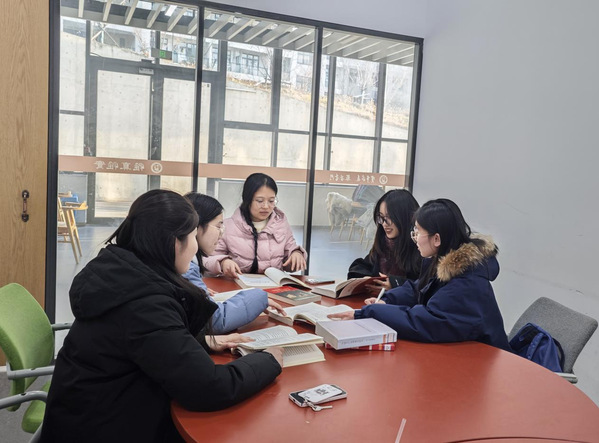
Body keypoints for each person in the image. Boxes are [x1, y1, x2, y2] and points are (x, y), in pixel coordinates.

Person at [41, 190, 283, 442]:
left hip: (92, 409)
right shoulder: (145, 302)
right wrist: (268, 361)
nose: (194, 249)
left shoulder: (124, 274)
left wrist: (201, 342)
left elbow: (144, 345)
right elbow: (208, 388)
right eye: (192, 237)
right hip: (104, 425)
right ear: (174, 242)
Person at [329, 198, 511, 351]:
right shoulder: (443, 261)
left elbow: (425, 322)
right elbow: (418, 289)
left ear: (436, 239)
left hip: (484, 360)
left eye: (417, 231)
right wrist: (387, 300)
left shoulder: (467, 281)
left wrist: (374, 311)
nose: (414, 237)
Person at [182, 192, 286, 334]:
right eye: (218, 226)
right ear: (196, 227)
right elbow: (214, 320)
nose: (221, 233)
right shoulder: (186, 268)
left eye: (271, 200)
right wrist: (259, 298)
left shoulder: (281, 223)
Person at [204, 173, 307, 278]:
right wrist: (223, 262)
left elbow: (289, 255)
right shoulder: (228, 227)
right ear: (247, 200)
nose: (266, 206)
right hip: (238, 285)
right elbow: (208, 259)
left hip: (274, 285)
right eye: (260, 201)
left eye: (271, 201)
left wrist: (296, 254)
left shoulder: (281, 224)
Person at [347, 189, 422, 295]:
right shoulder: (384, 244)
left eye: (390, 217)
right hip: (377, 301)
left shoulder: (422, 248)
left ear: (407, 217)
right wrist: (365, 278)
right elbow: (362, 266)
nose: (385, 224)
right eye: (381, 217)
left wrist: (395, 284)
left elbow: (425, 286)